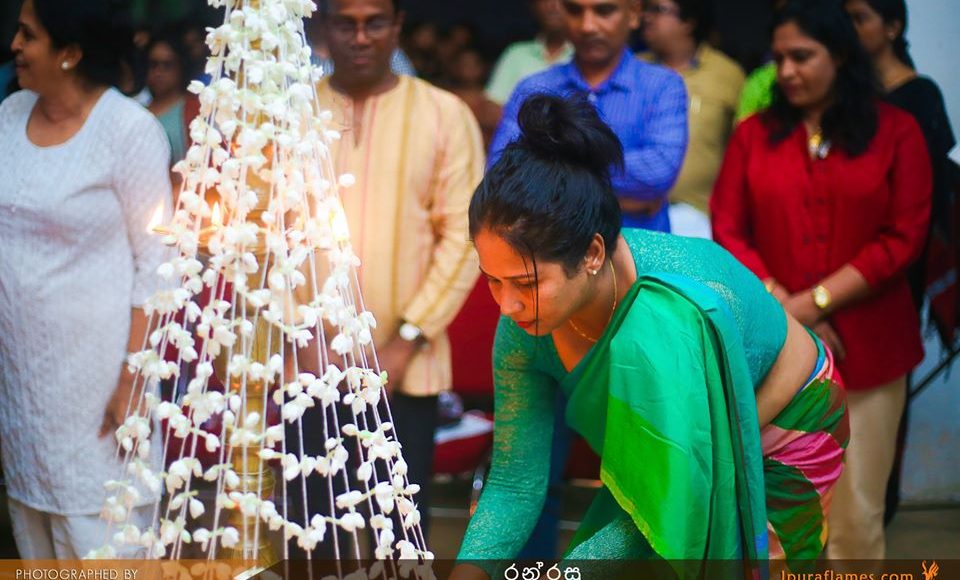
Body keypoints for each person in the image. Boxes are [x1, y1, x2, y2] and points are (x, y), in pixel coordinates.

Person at [452, 94, 848, 578]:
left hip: (788, 430)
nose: (507, 305)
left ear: (592, 254)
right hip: (678, 463)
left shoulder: (669, 319)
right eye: (493, 280)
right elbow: (516, 480)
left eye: (526, 283)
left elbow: (662, 507)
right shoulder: (523, 323)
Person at [710, 0, 932, 560]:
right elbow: (729, 228)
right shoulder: (754, 135)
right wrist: (784, 307)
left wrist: (815, 302)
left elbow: (904, 236)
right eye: (779, 58)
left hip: (871, 348)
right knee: (777, 518)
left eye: (802, 57)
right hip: (772, 349)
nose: (785, 71)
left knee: (856, 517)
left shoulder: (897, 132)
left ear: (840, 55)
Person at [290, 0, 483, 552]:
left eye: (374, 22)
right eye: (345, 24)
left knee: (397, 533)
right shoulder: (293, 115)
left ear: (397, 26)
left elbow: (464, 237)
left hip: (407, 368)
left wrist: (404, 342)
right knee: (310, 530)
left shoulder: (445, 114)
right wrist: (300, 334)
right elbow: (269, 232)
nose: (360, 37)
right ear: (324, 27)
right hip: (308, 362)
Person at [0, 0, 171, 559]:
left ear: (70, 52)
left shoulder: (128, 131)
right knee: (35, 536)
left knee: (100, 540)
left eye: (28, 35)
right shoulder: (9, 115)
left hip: (100, 386)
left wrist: (131, 382)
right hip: (23, 382)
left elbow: (158, 264)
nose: (15, 46)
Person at [843, 0, 958, 528]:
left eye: (861, 17)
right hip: (839, 255)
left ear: (892, 27)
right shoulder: (845, 93)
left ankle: (877, 508)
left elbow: (927, 192)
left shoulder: (918, 95)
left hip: (897, 260)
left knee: (885, 380)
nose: (851, 27)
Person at [490, 0, 687, 232]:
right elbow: (501, 173)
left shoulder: (663, 86)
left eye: (604, 11)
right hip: (555, 250)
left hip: (639, 250)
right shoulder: (534, 88)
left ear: (634, 13)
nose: (587, 26)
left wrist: (550, 174)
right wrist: (627, 200)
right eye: (574, 10)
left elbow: (659, 171)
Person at [638, 0, 745, 238]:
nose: (647, 17)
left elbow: (744, 149)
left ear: (688, 21)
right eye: (646, 9)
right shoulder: (633, 69)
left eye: (658, 10)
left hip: (703, 218)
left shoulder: (727, 74)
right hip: (635, 216)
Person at [485, 0, 573, 106]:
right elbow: (493, 105)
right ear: (533, 6)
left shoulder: (585, 56)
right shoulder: (516, 54)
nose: (552, 5)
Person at [144, 31, 199, 196]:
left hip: (185, 200)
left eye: (167, 65)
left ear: (181, 66)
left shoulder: (196, 110)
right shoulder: (137, 112)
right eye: (153, 64)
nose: (158, 72)